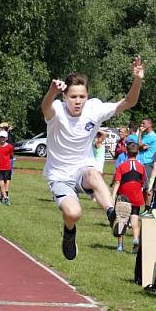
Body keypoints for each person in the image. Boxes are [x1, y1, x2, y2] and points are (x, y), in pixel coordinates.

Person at [42, 55, 145, 260]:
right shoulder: (57, 112)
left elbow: (129, 101)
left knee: (94, 174)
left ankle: (112, 215)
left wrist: (137, 79)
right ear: (65, 97)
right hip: (59, 175)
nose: (78, 101)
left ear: (87, 96)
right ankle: (69, 233)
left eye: (82, 96)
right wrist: (52, 91)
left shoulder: (95, 109)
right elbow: (45, 107)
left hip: (83, 168)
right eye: (73, 97)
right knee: (73, 213)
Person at [111, 142, 144, 253]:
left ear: (126, 152)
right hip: (136, 196)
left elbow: (117, 182)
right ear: (137, 152)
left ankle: (120, 245)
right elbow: (142, 182)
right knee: (134, 219)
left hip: (124, 196)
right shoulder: (141, 167)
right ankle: (135, 239)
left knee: (121, 219)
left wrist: (113, 195)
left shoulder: (121, 166)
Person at [137, 117, 156, 217]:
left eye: (143, 123)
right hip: (143, 162)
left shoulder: (151, 136)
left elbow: (139, 145)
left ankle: (148, 209)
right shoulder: (147, 135)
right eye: (141, 124)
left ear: (150, 124)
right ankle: (146, 208)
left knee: (148, 187)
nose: (142, 126)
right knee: (144, 187)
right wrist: (141, 146)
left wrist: (140, 134)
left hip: (148, 163)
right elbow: (140, 146)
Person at [0, 130, 14, 205]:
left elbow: (10, 155)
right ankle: (6, 198)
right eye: (1, 137)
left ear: (6, 138)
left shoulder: (10, 147)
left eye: (3, 137)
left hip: (7, 168)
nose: (2, 139)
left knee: (5, 184)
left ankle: (1, 198)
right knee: (1, 184)